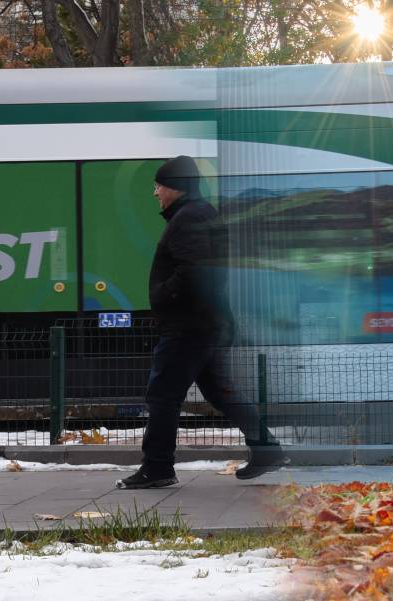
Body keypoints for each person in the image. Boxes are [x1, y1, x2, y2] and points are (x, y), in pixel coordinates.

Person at [116, 155, 286, 489]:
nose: (155, 193)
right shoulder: (199, 213)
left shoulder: (189, 218)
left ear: (176, 187)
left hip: (188, 326)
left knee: (163, 395)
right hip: (206, 323)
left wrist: (163, 295)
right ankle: (267, 449)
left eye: (159, 185)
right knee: (220, 392)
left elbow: (194, 271)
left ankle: (158, 467)